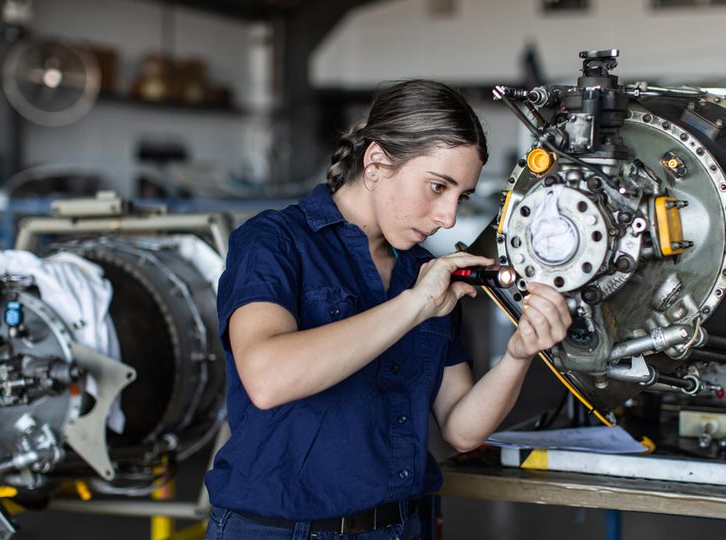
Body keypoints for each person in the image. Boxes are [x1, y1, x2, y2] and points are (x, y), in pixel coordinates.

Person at [204, 80, 571, 540]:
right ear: (376, 163)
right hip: (280, 530)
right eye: (437, 187)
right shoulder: (276, 242)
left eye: (461, 197)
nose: (449, 217)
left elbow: (460, 428)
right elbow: (268, 378)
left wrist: (519, 355)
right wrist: (414, 305)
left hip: (397, 528)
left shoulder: (425, 274)